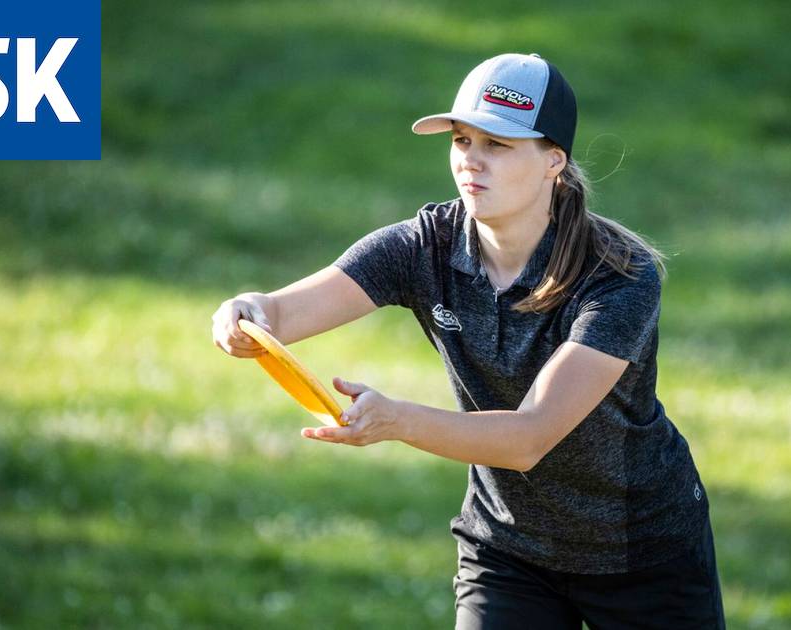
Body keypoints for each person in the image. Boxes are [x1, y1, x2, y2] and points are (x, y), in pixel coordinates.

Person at [211, 53, 725, 629]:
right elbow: (281, 311)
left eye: (498, 146)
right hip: (507, 549)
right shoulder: (424, 246)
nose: (470, 163)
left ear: (554, 160)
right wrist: (248, 312)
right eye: (461, 141)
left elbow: (531, 436)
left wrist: (398, 420)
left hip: (641, 554)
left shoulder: (617, 275)